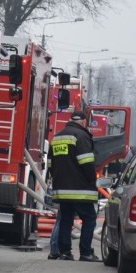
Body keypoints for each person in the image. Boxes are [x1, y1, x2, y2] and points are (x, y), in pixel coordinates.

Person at [48, 109, 100, 262]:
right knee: (89, 218)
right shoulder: (81, 136)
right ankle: (85, 253)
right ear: (83, 122)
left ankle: (65, 252)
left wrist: (58, 178)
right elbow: (86, 162)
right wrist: (92, 180)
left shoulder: (57, 137)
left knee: (66, 219)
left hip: (61, 189)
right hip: (80, 189)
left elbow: (50, 163)